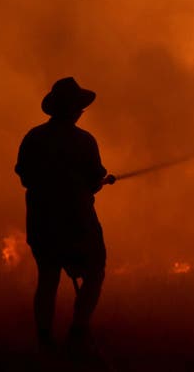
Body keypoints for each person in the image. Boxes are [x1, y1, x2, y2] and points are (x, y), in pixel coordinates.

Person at [15, 77, 115, 354]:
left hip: (41, 222)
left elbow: (24, 176)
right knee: (95, 270)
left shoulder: (34, 137)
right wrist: (94, 184)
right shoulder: (84, 141)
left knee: (48, 278)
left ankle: (44, 338)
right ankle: (78, 330)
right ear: (73, 110)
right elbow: (94, 179)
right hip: (77, 222)